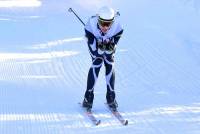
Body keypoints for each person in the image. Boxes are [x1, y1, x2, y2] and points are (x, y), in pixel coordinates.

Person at [82, 6, 123, 111]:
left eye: (108, 24)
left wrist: (111, 47)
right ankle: (88, 97)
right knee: (97, 61)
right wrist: (98, 49)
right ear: (98, 19)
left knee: (110, 62)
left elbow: (115, 44)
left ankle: (111, 97)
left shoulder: (117, 26)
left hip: (108, 41)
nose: (105, 27)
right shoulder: (90, 25)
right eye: (102, 23)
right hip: (94, 41)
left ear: (113, 22)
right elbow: (93, 49)